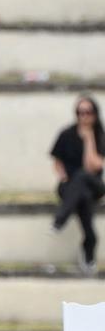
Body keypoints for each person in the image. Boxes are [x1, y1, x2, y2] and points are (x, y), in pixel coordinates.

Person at [50, 94, 104, 275]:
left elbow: (94, 166)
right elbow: (57, 161)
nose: (84, 116)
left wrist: (88, 140)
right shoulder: (66, 134)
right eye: (80, 112)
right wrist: (63, 176)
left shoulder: (100, 135)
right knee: (82, 195)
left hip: (94, 184)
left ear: (95, 114)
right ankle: (90, 244)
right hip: (71, 187)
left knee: (82, 176)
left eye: (88, 112)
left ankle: (60, 219)